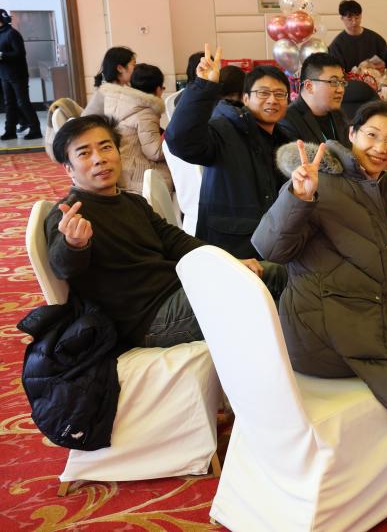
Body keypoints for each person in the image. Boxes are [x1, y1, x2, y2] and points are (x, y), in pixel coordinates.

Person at [252, 101, 387, 440]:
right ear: (352, 134)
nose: (380, 148)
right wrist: (298, 197)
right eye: (371, 135)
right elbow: (270, 248)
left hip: (348, 317)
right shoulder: (323, 183)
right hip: (325, 337)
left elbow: (348, 240)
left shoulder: (375, 183)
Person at [44, 115, 264, 348]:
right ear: (69, 168)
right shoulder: (69, 215)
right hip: (146, 321)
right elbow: (62, 266)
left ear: (118, 152)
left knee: (269, 275)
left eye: (106, 147)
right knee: (258, 291)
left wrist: (228, 261)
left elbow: (175, 240)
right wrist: (74, 244)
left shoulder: (133, 202)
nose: (99, 159)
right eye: (84, 153)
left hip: (176, 292)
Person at [165, 45, 291, 262]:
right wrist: (203, 86)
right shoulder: (225, 129)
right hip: (233, 252)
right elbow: (181, 141)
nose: (272, 100)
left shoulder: (284, 139)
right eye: (263, 93)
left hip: (273, 250)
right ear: (245, 98)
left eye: (280, 94)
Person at [100, 62, 171, 193]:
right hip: (136, 174)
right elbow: (154, 153)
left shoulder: (117, 101)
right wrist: (172, 141)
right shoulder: (146, 112)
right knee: (178, 175)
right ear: (157, 89)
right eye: (162, 88)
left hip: (119, 168)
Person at [278, 52, 350, 147]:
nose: (341, 90)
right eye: (333, 82)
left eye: (342, 82)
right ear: (309, 86)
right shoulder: (287, 121)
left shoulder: (339, 114)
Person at [0, 9, 42, 140]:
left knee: (23, 103)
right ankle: (10, 131)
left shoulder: (12, 33)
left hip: (18, 75)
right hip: (4, 75)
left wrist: (2, 55)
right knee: (9, 104)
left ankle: (35, 130)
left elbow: (20, 53)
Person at [327, 0, 387, 72]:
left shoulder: (374, 38)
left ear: (361, 16)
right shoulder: (337, 45)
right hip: (349, 79)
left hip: (375, 78)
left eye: (357, 18)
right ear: (342, 18)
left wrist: (384, 65)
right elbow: (336, 72)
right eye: (350, 19)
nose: (354, 22)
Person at [82, 46, 135, 117]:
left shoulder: (119, 87)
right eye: (134, 65)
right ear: (120, 68)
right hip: (90, 124)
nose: (136, 69)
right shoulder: (111, 92)